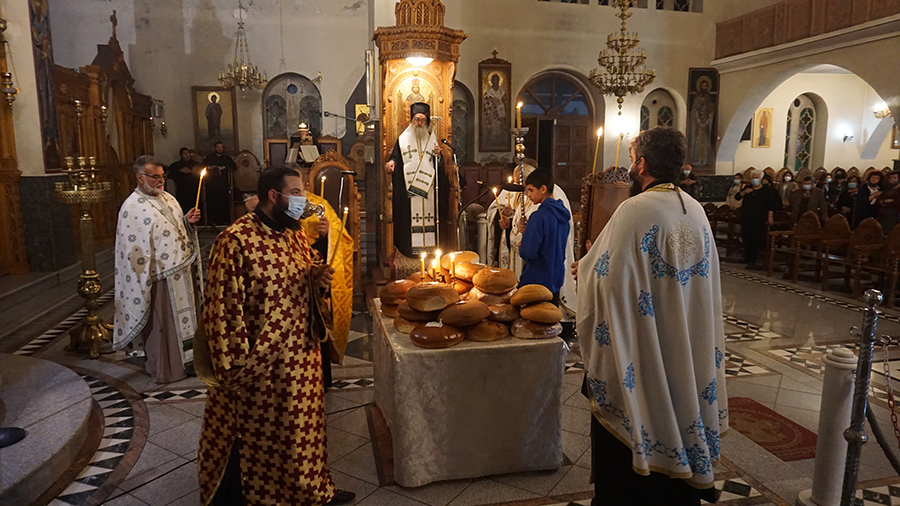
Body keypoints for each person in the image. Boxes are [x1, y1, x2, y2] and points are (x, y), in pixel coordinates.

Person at [573, 126, 726, 505]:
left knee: (627, 454)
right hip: (684, 343)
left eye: (631, 159)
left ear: (641, 164)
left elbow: (607, 280)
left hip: (643, 350)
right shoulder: (696, 210)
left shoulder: (636, 209)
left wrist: (586, 267)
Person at [198, 166, 355, 506]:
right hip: (263, 367)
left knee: (304, 432)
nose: (303, 200)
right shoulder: (235, 241)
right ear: (274, 196)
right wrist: (234, 369)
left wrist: (317, 278)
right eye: (296, 193)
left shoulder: (293, 233)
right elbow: (222, 309)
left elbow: (302, 274)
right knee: (265, 435)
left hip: (303, 359)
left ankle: (312, 489)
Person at [112, 155, 202, 383]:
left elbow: (174, 229)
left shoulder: (169, 198)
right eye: (155, 177)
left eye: (163, 176)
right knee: (165, 326)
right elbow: (132, 252)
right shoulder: (132, 208)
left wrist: (187, 221)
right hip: (160, 278)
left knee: (189, 321)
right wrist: (144, 281)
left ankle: (193, 362)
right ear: (140, 178)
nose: (161, 181)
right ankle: (169, 368)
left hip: (182, 272)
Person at [385, 102, 449, 257]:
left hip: (429, 188)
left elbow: (440, 166)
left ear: (427, 120)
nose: (419, 123)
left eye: (422, 120)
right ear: (412, 120)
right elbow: (396, 157)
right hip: (409, 189)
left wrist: (438, 156)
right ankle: (410, 249)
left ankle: (432, 248)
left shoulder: (432, 139)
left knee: (431, 216)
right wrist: (392, 162)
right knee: (410, 216)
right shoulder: (403, 139)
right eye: (417, 119)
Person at [517, 168, 571, 310]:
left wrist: (523, 244)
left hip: (536, 281)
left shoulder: (538, 217)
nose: (528, 195)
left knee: (533, 321)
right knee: (550, 320)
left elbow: (528, 253)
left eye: (531, 190)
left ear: (543, 189)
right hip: (555, 279)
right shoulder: (562, 214)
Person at [735, 169, 782, 268]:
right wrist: (744, 192)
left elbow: (771, 205)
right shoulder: (747, 188)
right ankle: (746, 257)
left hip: (759, 218)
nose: (754, 180)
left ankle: (753, 259)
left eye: (756, 178)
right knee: (746, 237)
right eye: (753, 178)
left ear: (761, 179)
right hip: (747, 217)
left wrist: (770, 216)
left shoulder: (766, 190)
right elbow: (737, 197)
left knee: (755, 238)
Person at [203, 141, 238, 225]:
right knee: (213, 203)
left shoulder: (227, 158)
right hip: (212, 184)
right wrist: (212, 168)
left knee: (224, 202)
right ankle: (213, 221)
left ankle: (224, 220)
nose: (220, 149)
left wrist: (224, 168)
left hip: (223, 184)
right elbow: (203, 167)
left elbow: (233, 167)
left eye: (221, 147)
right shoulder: (209, 158)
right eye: (218, 147)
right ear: (215, 148)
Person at [166, 147, 200, 214]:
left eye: (188, 153)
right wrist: (180, 170)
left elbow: (199, 170)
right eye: (184, 153)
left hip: (194, 188)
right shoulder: (177, 165)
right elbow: (171, 170)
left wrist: (192, 171)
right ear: (181, 155)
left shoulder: (195, 164)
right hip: (182, 189)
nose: (187, 155)